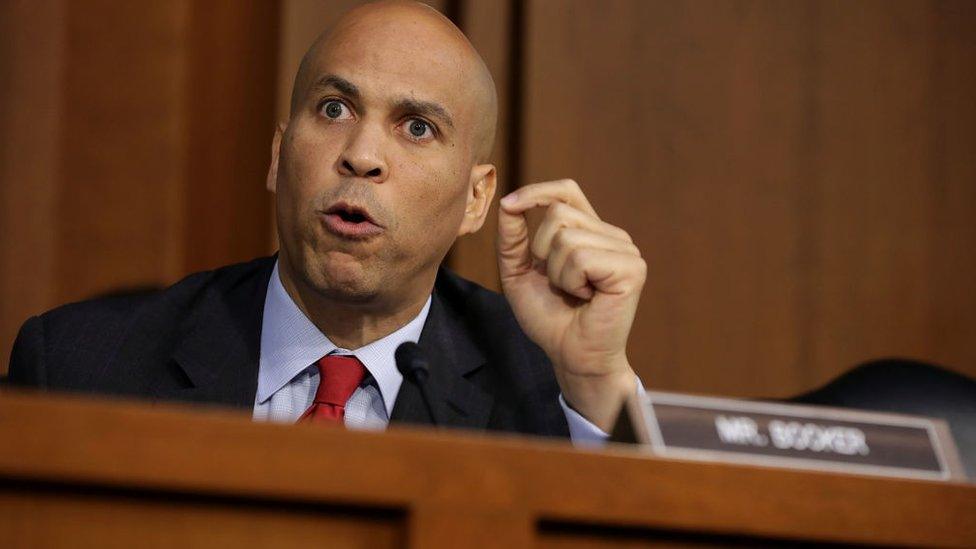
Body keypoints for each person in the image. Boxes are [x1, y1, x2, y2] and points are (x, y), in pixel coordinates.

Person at [6, 1, 646, 443]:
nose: (362, 156)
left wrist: (594, 379)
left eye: (417, 128)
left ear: (477, 200)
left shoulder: (548, 395)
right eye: (335, 109)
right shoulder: (77, 369)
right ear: (280, 156)